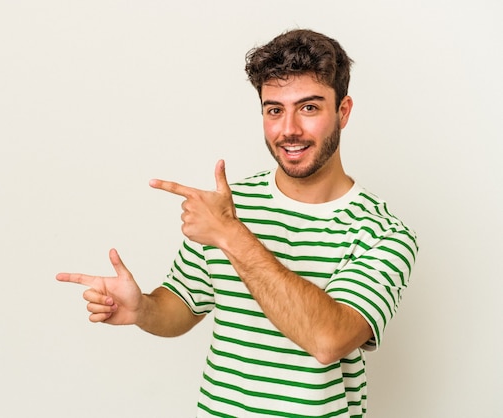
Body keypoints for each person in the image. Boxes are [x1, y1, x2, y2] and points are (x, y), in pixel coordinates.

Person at [57, 28, 418, 417]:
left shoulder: (383, 234)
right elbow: (182, 306)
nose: (289, 129)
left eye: (309, 108)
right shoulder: (229, 207)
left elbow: (328, 339)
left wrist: (230, 235)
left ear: (343, 111)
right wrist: (142, 308)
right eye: (274, 109)